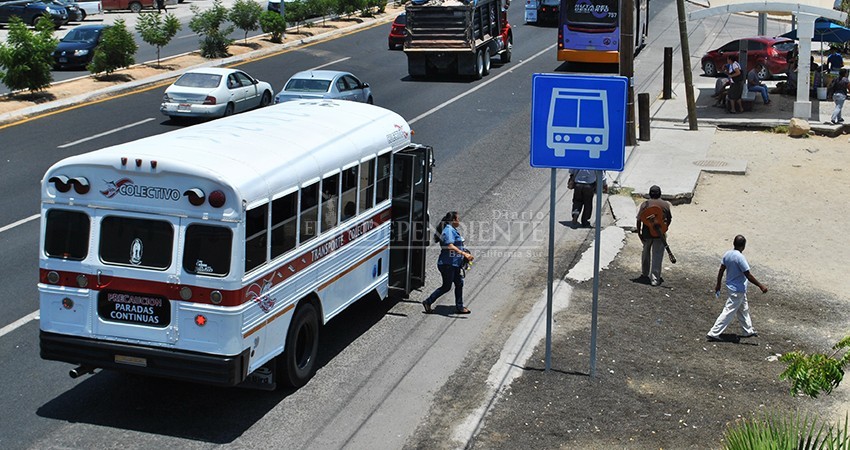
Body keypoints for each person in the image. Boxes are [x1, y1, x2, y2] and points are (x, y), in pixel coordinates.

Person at [706, 235, 768, 342]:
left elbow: (721, 270)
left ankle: (747, 330)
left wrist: (718, 284)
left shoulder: (727, 254)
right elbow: (748, 275)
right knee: (728, 311)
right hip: (737, 289)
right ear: (743, 246)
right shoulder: (740, 258)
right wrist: (760, 286)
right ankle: (714, 332)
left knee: (743, 309)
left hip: (733, 288)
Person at [422, 212, 474, 315]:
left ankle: (459, 307)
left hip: (453, 264)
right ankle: (428, 301)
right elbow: (450, 246)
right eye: (458, 219)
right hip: (447, 264)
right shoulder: (448, 231)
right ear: (453, 220)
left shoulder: (452, 230)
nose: (459, 221)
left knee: (459, 283)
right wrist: (464, 254)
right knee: (446, 286)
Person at [635, 185, 672, 286]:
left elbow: (639, 220)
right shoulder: (665, 205)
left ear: (650, 194)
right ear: (660, 194)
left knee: (646, 253)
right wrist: (664, 228)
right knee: (657, 255)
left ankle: (644, 274)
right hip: (660, 234)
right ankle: (655, 279)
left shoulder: (645, 204)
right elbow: (669, 219)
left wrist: (639, 233)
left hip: (647, 234)